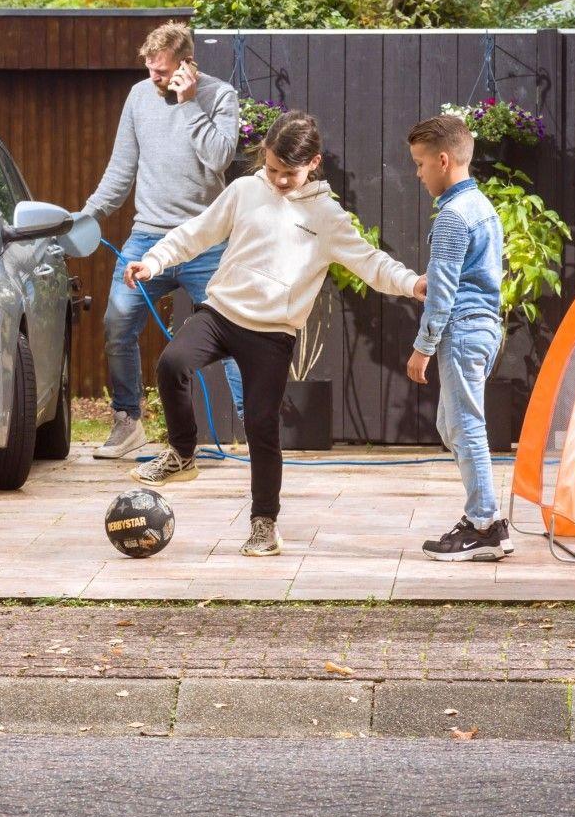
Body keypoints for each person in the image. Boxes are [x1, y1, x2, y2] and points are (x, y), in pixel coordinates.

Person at [125, 111, 426, 556]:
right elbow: (196, 233)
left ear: (314, 163)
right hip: (221, 313)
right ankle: (182, 453)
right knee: (172, 364)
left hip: (271, 335)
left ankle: (264, 523)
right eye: (272, 170)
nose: (279, 181)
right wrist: (153, 261)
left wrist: (412, 284)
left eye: (289, 173)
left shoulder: (326, 216)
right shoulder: (245, 191)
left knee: (261, 426)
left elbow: (370, 261)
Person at [83, 21, 245, 459]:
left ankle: (257, 431)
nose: (154, 79)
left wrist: (189, 103)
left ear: (186, 65)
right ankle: (127, 422)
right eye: (150, 70)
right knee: (117, 324)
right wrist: (89, 214)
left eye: (162, 72)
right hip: (148, 240)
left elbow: (219, 159)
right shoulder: (138, 98)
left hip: (204, 241)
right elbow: (121, 171)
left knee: (234, 335)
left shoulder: (219, 97)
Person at [403, 114, 515, 562]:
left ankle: (485, 523)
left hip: (462, 331)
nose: (417, 173)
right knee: (451, 426)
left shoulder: (453, 216)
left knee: (466, 426)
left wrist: (422, 348)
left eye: (420, 163)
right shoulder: (483, 208)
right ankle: (483, 518)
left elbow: (443, 290)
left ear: (444, 160)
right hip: (485, 329)